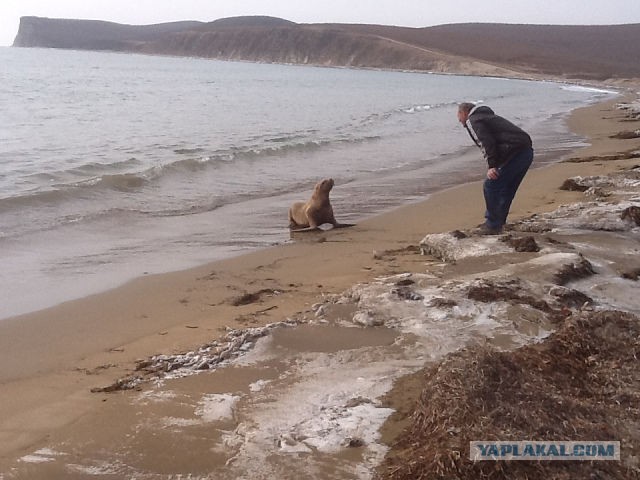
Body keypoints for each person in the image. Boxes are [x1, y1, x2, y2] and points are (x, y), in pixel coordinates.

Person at [457, 102, 534, 234]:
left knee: (491, 185)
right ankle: (498, 222)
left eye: (458, 116)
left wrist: (492, 166)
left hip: (515, 152)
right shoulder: (486, 117)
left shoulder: (473, 120)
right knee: (506, 189)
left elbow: (486, 142)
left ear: (463, 113)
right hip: (526, 151)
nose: (459, 120)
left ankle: (492, 225)